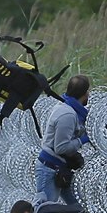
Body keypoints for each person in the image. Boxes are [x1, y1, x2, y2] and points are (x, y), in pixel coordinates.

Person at [35, 75, 91, 205]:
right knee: (45, 211)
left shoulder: (70, 109)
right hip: (50, 169)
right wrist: (83, 140)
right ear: (84, 93)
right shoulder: (68, 114)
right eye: (88, 91)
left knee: (77, 209)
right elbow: (61, 147)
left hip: (60, 168)